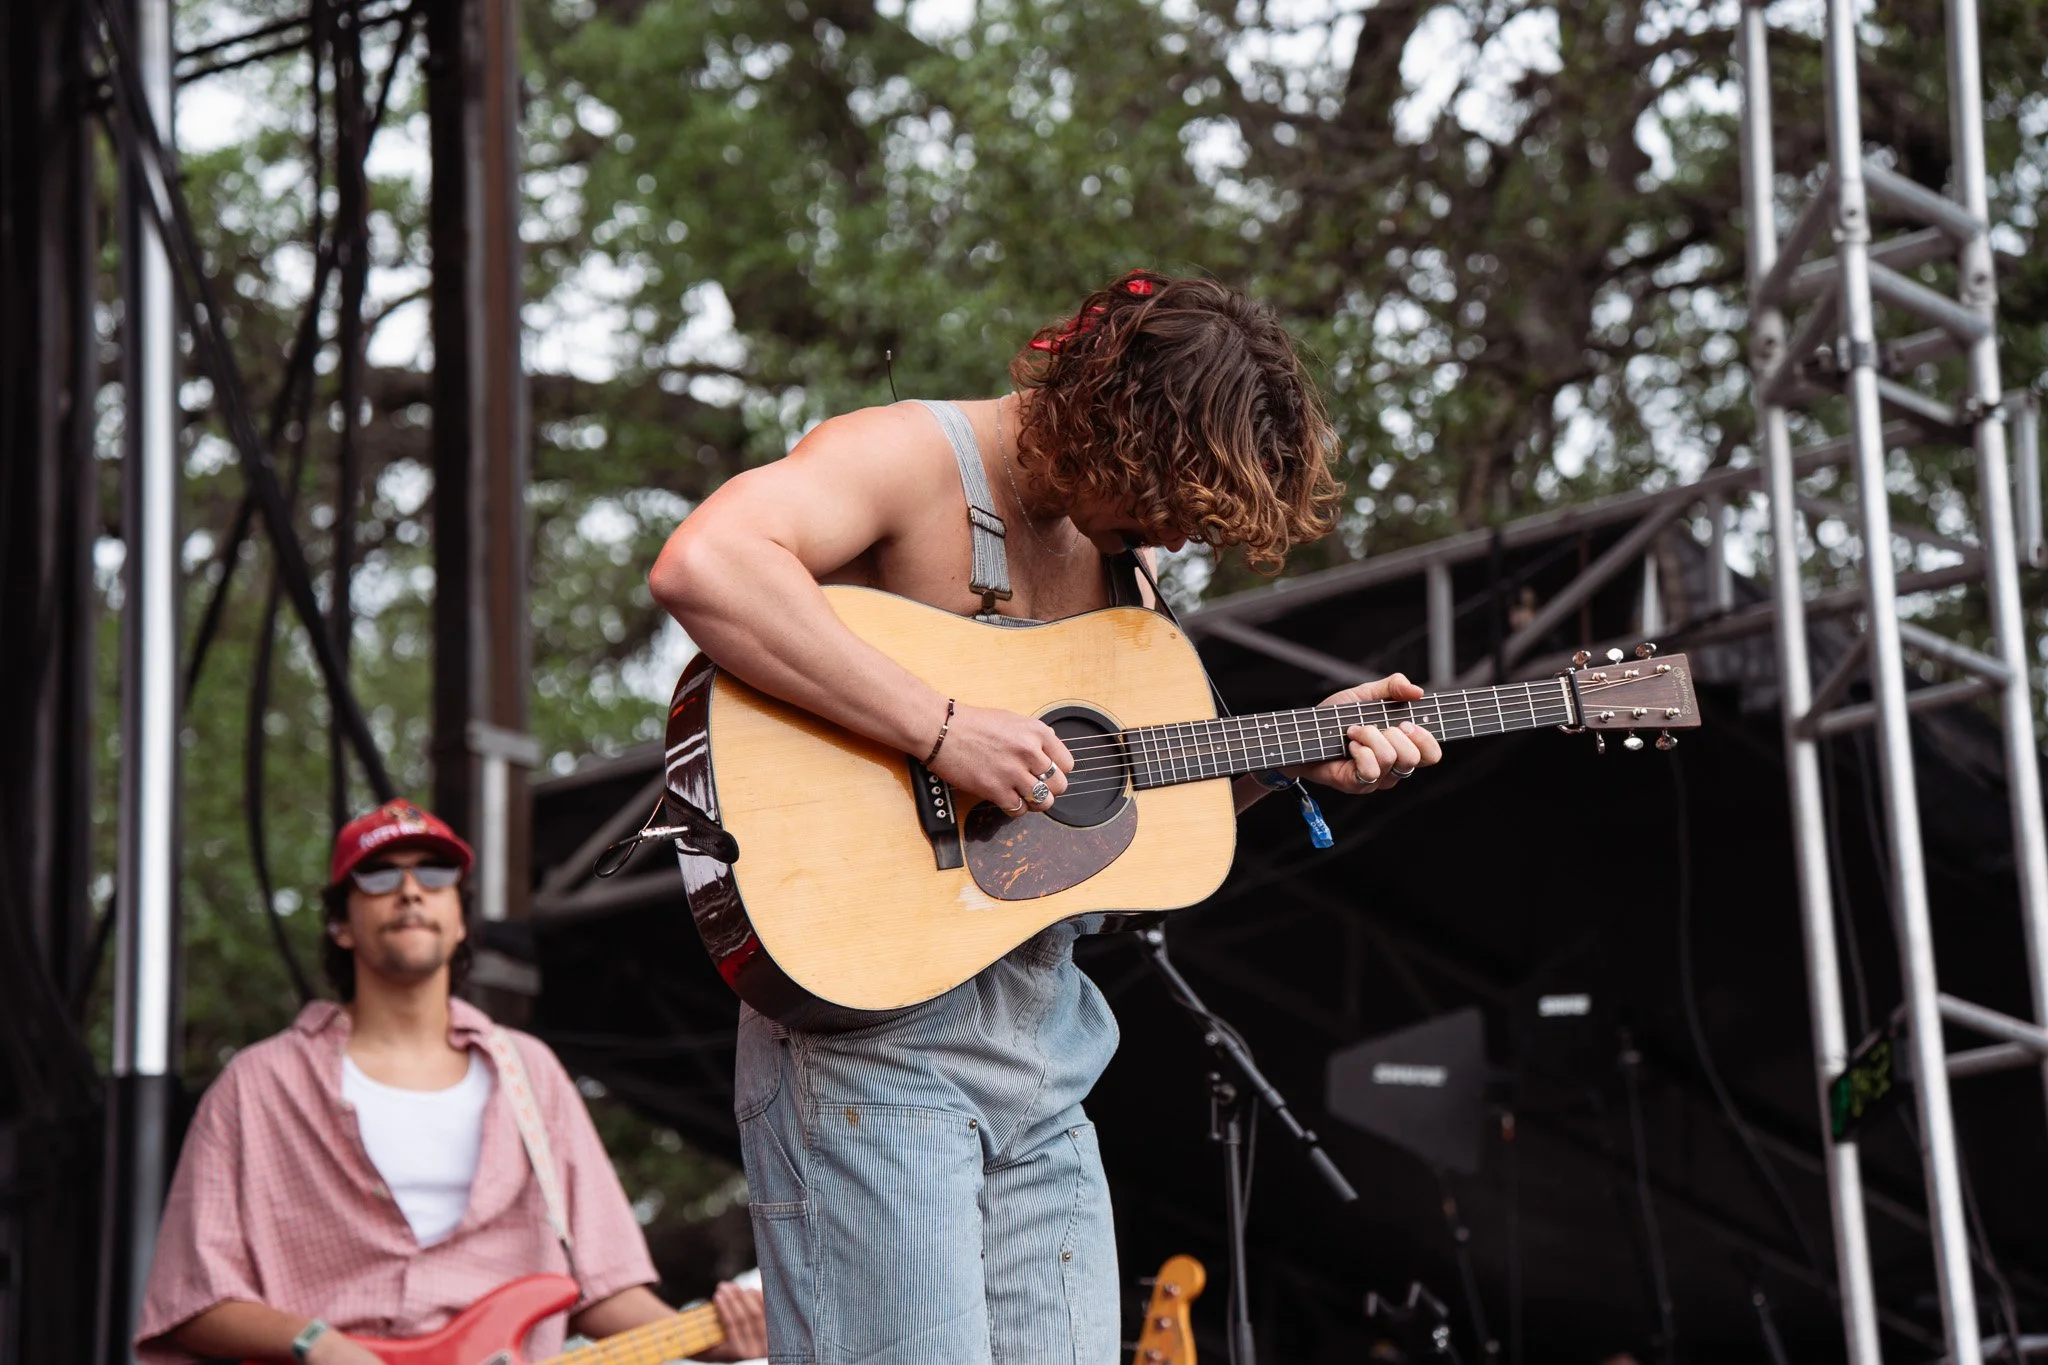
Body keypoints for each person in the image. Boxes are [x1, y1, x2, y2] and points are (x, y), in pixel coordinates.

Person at [647, 269, 1443, 1362]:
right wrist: (940, 727)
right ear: (1110, 419)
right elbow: (707, 563)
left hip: (1045, 1062)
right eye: (1164, 496)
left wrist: (1302, 751)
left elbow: (1105, 811)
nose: (1171, 530)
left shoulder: (1128, 562)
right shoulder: (911, 457)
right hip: (873, 1048)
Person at [135, 798, 768, 1365]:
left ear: (460, 919)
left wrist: (713, 1337)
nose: (410, 890)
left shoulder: (530, 1075)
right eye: (379, 876)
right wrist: (316, 1343)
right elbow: (190, 1299)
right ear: (340, 924)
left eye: (434, 875)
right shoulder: (258, 1084)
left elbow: (600, 1286)